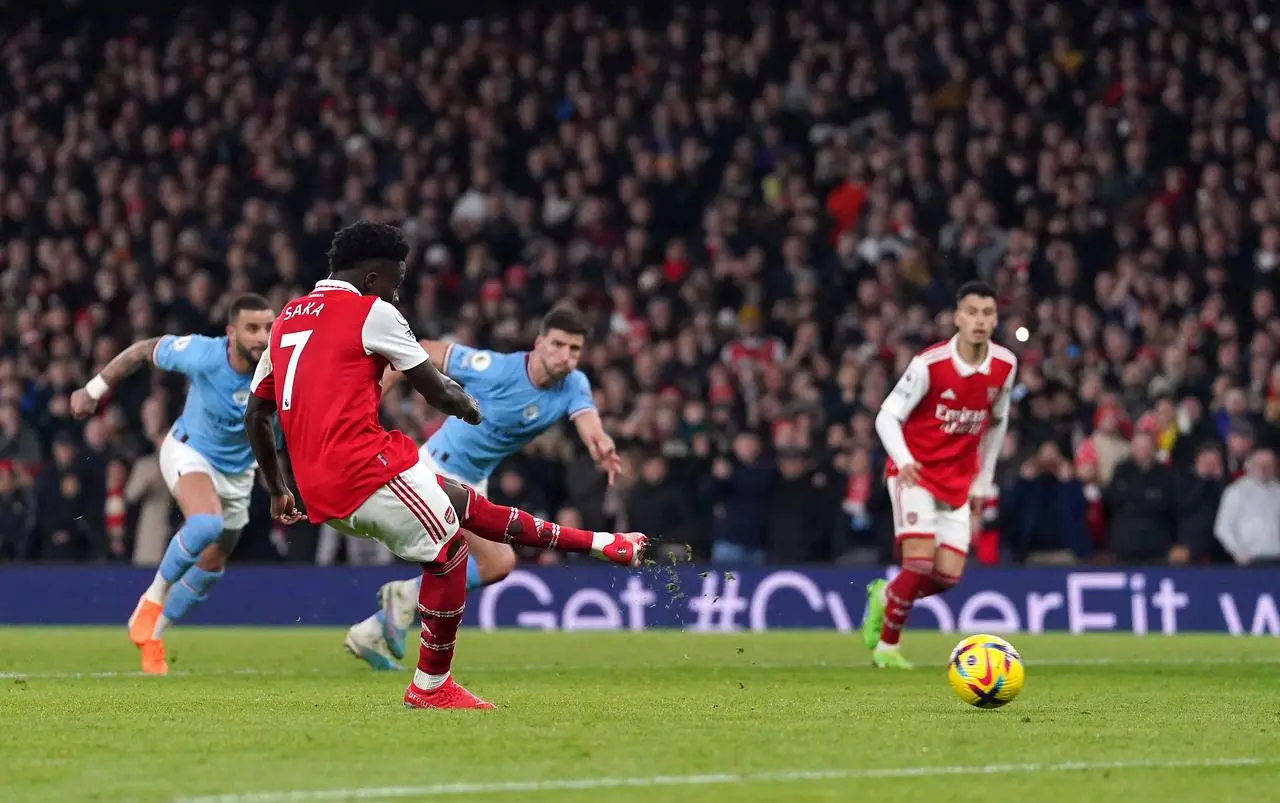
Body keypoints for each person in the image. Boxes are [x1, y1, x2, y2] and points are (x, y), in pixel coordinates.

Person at [243, 220, 646, 709]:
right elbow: (435, 384)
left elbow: (257, 414)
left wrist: (277, 487)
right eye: (395, 279)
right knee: (451, 552)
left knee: (470, 511)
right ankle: (431, 685)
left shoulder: (287, 317)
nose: (397, 291)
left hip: (318, 481)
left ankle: (606, 545)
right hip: (363, 467)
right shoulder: (373, 311)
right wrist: (467, 407)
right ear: (373, 278)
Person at [345, 305, 629, 671]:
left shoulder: (574, 383)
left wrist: (601, 442)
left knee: (485, 564)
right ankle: (403, 610)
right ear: (539, 343)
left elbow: (588, 421)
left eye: (574, 350)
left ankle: (372, 628)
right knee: (495, 560)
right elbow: (425, 348)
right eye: (558, 345)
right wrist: (374, 393)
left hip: (474, 481)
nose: (566, 356)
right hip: (436, 469)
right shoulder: (495, 368)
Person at [69, 294, 276, 675]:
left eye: (268, 327)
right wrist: (94, 390)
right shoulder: (202, 354)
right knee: (205, 524)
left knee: (212, 565)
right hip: (188, 451)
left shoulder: (282, 371)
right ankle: (150, 602)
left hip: (238, 474)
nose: (262, 337)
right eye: (252, 328)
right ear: (231, 333)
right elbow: (142, 351)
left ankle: (154, 635)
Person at [859, 281, 1017, 668]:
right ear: (958, 318)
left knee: (947, 576)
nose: (979, 321)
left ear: (995, 319)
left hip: (958, 479)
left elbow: (997, 422)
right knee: (918, 563)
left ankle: (884, 595)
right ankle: (887, 648)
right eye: (972, 313)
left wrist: (985, 479)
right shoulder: (930, 365)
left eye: (987, 313)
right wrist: (904, 458)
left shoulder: (1005, 365)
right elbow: (886, 416)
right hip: (914, 472)